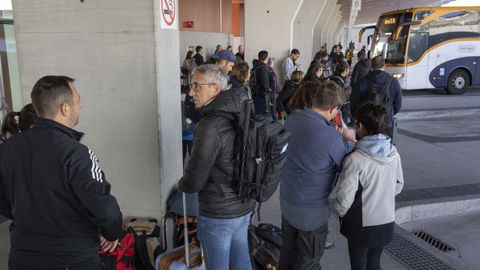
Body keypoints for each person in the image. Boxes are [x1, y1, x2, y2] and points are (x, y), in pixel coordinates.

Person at [0, 76, 123, 270]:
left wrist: (26, 217)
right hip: (71, 259)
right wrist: (113, 232)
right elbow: (102, 205)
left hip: (22, 257)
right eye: (78, 101)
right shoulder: (76, 153)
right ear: (65, 108)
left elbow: (3, 200)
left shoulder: (8, 148)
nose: (80, 106)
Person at [178, 65, 254, 270]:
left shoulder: (209, 125)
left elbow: (194, 180)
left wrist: (182, 183)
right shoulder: (242, 110)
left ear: (215, 89)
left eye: (196, 86)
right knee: (242, 262)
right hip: (243, 205)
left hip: (218, 213)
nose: (191, 92)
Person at [279, 81, 354, 270]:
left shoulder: (292, 119)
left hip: (287, 200)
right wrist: (345, 139)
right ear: (335, 108)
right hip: (311, 211)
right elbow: (345, 166)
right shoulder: (332, 138)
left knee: (288, 253)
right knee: (309, 260)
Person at [334, 103, 404, 270]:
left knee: (359, 264)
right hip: (386, 219)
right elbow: (399, 185)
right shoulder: (393, 152)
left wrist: (344, 215)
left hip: (361, 224)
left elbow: (345, 198)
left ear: (359, 125)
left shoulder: (355, 159)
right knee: (374, 263)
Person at [350, 55, 402, 137]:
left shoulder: (361, 83)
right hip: (386, 124)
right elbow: (397, 106)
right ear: (384, 66)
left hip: (365, 126)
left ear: (371, 66)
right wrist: (385, 116)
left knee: (363, 148)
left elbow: (353, 107)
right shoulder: (394, 82)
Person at [251, 50, 274, 116]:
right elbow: (265, 83)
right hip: (261, 95)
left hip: (256, 93)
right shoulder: (262, 68)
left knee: (258, 113)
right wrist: (269, 91)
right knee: (262, 115)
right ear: (266, 59)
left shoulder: (255, 66)